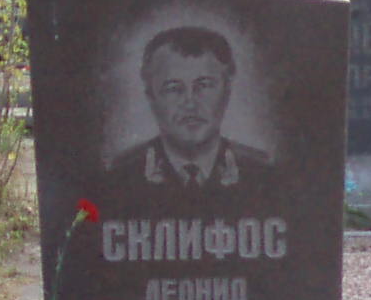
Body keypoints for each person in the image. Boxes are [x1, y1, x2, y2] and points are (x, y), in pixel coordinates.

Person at [103, 24, 271, 191]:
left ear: (227, 90)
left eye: (204, 85)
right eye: (173, 88)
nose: (190, 103)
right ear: (150, 95)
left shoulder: (264, 174)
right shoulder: (116, 178)